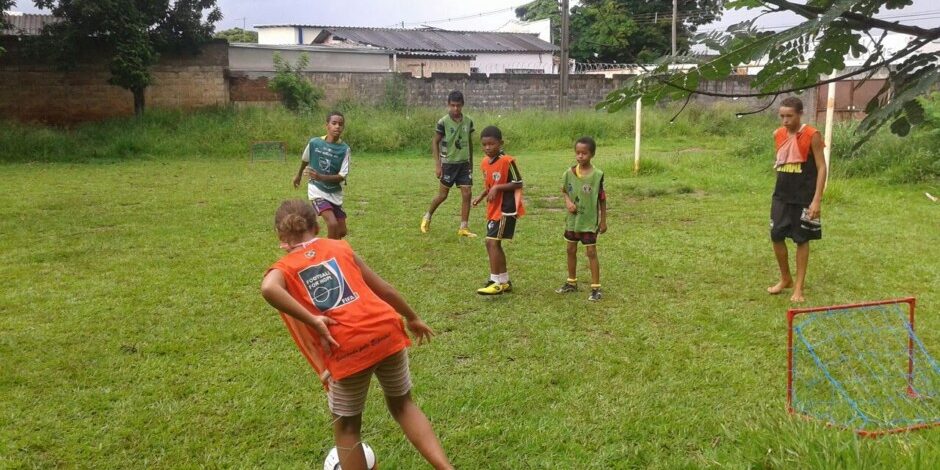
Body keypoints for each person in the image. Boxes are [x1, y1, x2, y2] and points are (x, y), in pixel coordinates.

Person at [261, 200, 452, 470]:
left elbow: (269, 288)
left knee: (348, 429)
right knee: (404, 406)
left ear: (280, 236)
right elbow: (384, 288)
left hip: (346, 346)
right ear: (317, 226)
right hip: (386, 331)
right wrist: (413, 317)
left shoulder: (284, 268)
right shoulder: (340, 247)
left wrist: (313, 320)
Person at [767, 96, 827, 303]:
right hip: (781, 196)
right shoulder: (778, 134)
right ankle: (785, 278)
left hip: (804, 197)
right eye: (782, 116)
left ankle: (799, 287)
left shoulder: (812, 135)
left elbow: (821, 167)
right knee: (776, 235)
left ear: (800, 114)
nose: (785, 121)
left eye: (790, 116)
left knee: (802, 239)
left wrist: (817, 200)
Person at [472, 126, 524, 295]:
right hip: (493, 208)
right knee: (494, 242)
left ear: (500, 143)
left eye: (491, 144)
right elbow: (490, 185)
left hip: (506, 208)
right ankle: (504, 281)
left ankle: (494, 282)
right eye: (484, 145)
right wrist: (481, 196)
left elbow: (518, 183)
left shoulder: (507, 161)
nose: (487, 148)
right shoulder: (484, 163)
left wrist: (497, 188)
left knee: (491, 242)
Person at [555, 137, 607, 301]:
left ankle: (596, 288)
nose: (580, 156)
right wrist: (568, 202)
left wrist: (603, 221)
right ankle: (571, 282)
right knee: (570, 249)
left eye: (584, 153)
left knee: (591, 252)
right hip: (572, 221)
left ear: (592, 154)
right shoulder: (569, 173)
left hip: (588, 221)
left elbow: (602, 199)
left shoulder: (597, 175)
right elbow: (564, 191)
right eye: (577, 153)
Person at [420, 90, 477, 238]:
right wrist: (438, 164)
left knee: (467, 193)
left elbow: (469, 142)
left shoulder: (468, 121)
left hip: (464, 164)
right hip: (449, 164)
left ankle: (463, 227)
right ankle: (427, 217)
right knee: (443, 195)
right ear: (448, 105)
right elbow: (435, 142)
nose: (455, 108)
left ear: (462, 105)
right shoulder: (443, 122)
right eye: (452, 105)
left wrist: (471, 162)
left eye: (458, 105)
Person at [292, 111, 351, 239]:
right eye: (334, 123)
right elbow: (305, 159)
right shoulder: (315, 143)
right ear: (327, 125)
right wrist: (299, 175)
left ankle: (332, 247)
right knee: (332, 224)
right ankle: (328, 251)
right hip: (317, 189)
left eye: (340, 124)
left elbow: (342, 176)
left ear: (343, 127)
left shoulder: (344, 149)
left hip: (334, 192)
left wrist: (321, 176)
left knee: (341, 231)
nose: (337, 126)